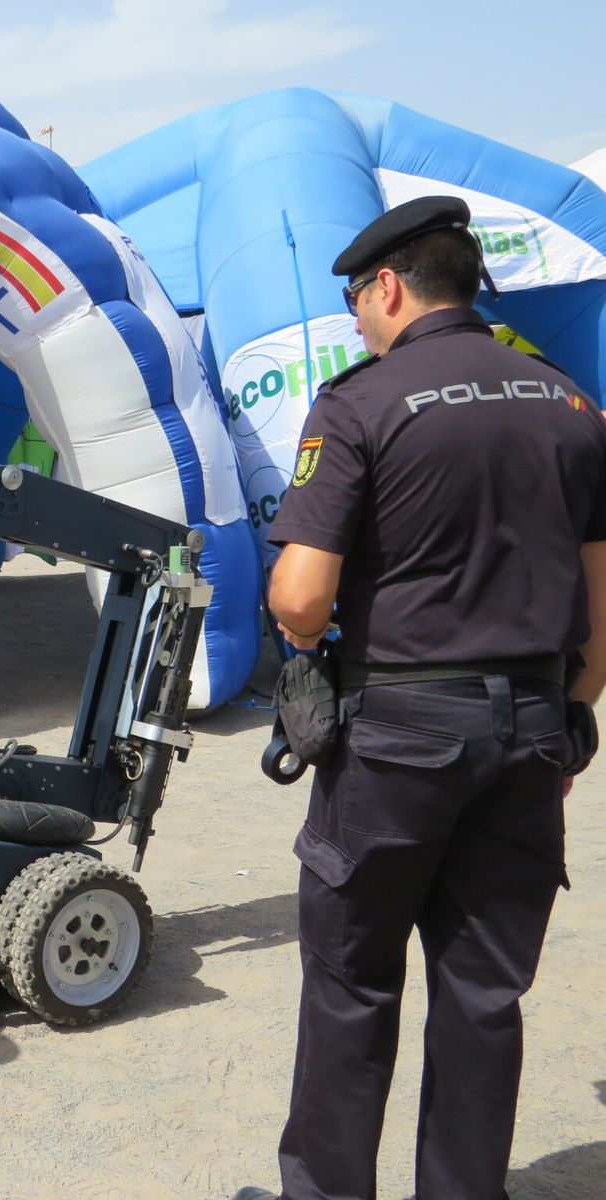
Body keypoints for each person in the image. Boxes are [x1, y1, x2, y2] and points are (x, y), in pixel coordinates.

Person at [234, 196, 606, 1200]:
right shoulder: (569, 404)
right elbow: (598, 598)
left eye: (359, 300)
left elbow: (302, 595)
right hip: (529, 728)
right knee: (483, 993)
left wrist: (302, 639)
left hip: (396, 737)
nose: (358, 319)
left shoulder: (359, 404)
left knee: (352, 984)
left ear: (388, 286)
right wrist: (567, 720)